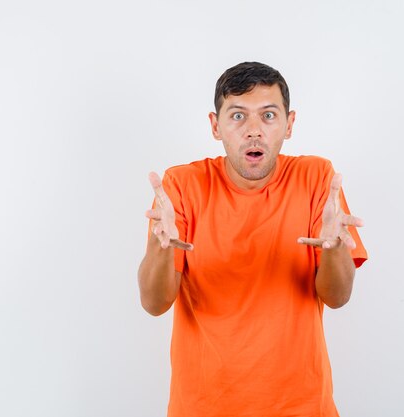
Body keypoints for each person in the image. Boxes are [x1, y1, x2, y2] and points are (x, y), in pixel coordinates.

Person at [137, 62, 368, 417]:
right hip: (203, 407)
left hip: (302, 406)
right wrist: (159, 248)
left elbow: (337, 298)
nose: (254, 131)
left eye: (269, 115)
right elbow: (154, 304)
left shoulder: (317, 177)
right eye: (238, 116)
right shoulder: (181, 186)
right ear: (216, 126)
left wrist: (334, 249)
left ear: (289, 125)